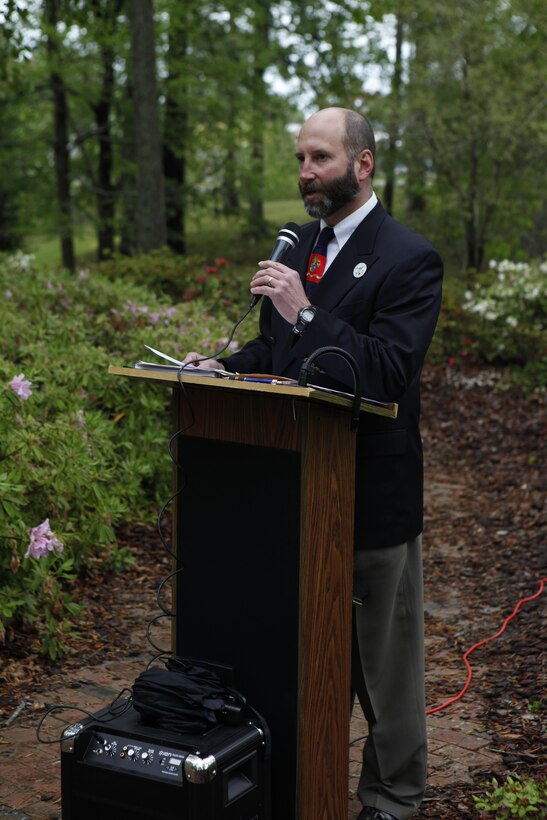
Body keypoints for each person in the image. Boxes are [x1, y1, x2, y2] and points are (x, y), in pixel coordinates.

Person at [183, 107, 443, 820]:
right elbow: (276, 354)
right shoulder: (300, 246)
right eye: (300, 157)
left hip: (367, 492)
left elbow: (387, 372)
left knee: (381, 666)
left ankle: (392, 800)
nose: (305, 172)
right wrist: (223, 367)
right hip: (286, 491)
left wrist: (303, 313)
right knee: (292, 647)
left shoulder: (408, 257)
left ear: (362, 165)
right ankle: (294, 778)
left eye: (320, 158)